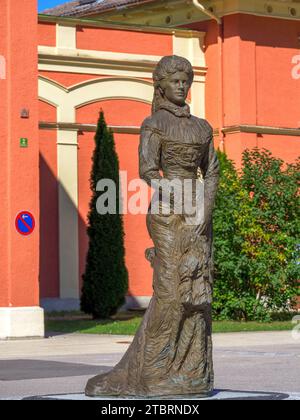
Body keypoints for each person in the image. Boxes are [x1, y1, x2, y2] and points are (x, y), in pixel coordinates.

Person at [85, 55, 220, 398]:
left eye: (185, 80)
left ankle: (192, 372)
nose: (181, 86)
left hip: (199, 213)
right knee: (171, 292)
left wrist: (203, 209)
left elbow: (212, 171)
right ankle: (154, 371)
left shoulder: (202, 127)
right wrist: (176, 197)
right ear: (161, 86)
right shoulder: (153, 124)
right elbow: (148, 171)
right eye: (175, 81)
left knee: (197, 295)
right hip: (166, 213)